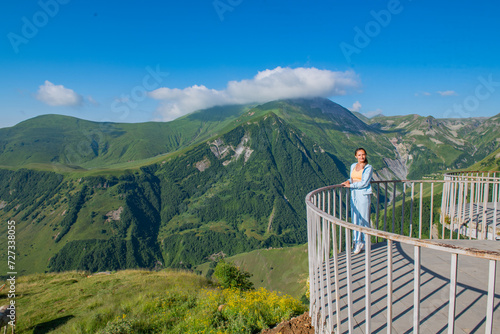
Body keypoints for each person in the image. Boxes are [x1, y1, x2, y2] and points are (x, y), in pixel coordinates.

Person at [341, 148, 373, 255]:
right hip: (354, 194)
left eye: (363, 155)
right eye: (359, 155)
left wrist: (351, 185)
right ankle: (357, 241)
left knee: (364, 219)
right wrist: (348, 181)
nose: (361, 157)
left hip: (363, 194)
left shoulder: (368, 167)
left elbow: (364, 183)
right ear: (356, 156)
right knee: (355, 218)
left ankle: (364, 242)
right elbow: (353, 178)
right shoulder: (353, 166)